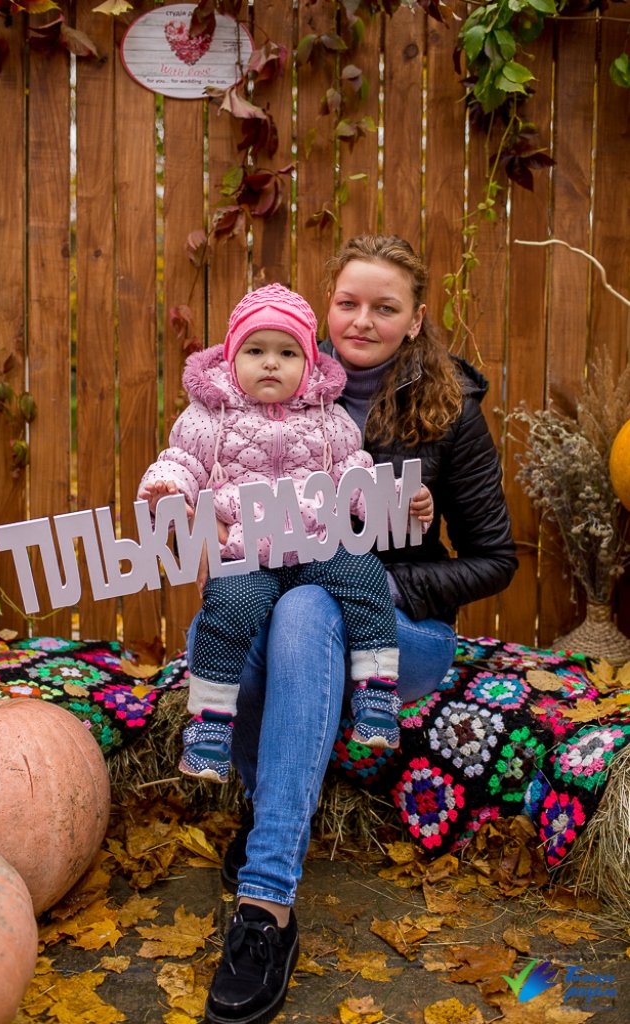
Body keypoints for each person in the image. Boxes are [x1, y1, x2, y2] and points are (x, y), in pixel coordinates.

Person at [193, 235, 518, 1024]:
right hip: (290, 615)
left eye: (385, 307)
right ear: (325, 308)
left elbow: (496, 559)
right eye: (348, 303)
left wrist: (381, 580)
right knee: (241, 616)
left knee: (310, 606)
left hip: (402, 631)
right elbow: (212, 493)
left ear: (416, 319)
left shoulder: (451, 411)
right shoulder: (276, 384)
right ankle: (270, 821)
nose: (362, 321)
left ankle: (265, 904)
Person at [138, 283, 434, 785]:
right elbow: (181, 461)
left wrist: (395, 502)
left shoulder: (328, 418)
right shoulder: (208, 417)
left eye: (287, 353)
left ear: (309, 362)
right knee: (226, 611)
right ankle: (210, 728)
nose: (271, 363)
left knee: (365, 575)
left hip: (316, 545)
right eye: (255, 351)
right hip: (244, 550)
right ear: (232, 358)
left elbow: (354, 474)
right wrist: (167, 488)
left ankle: (376, 693)